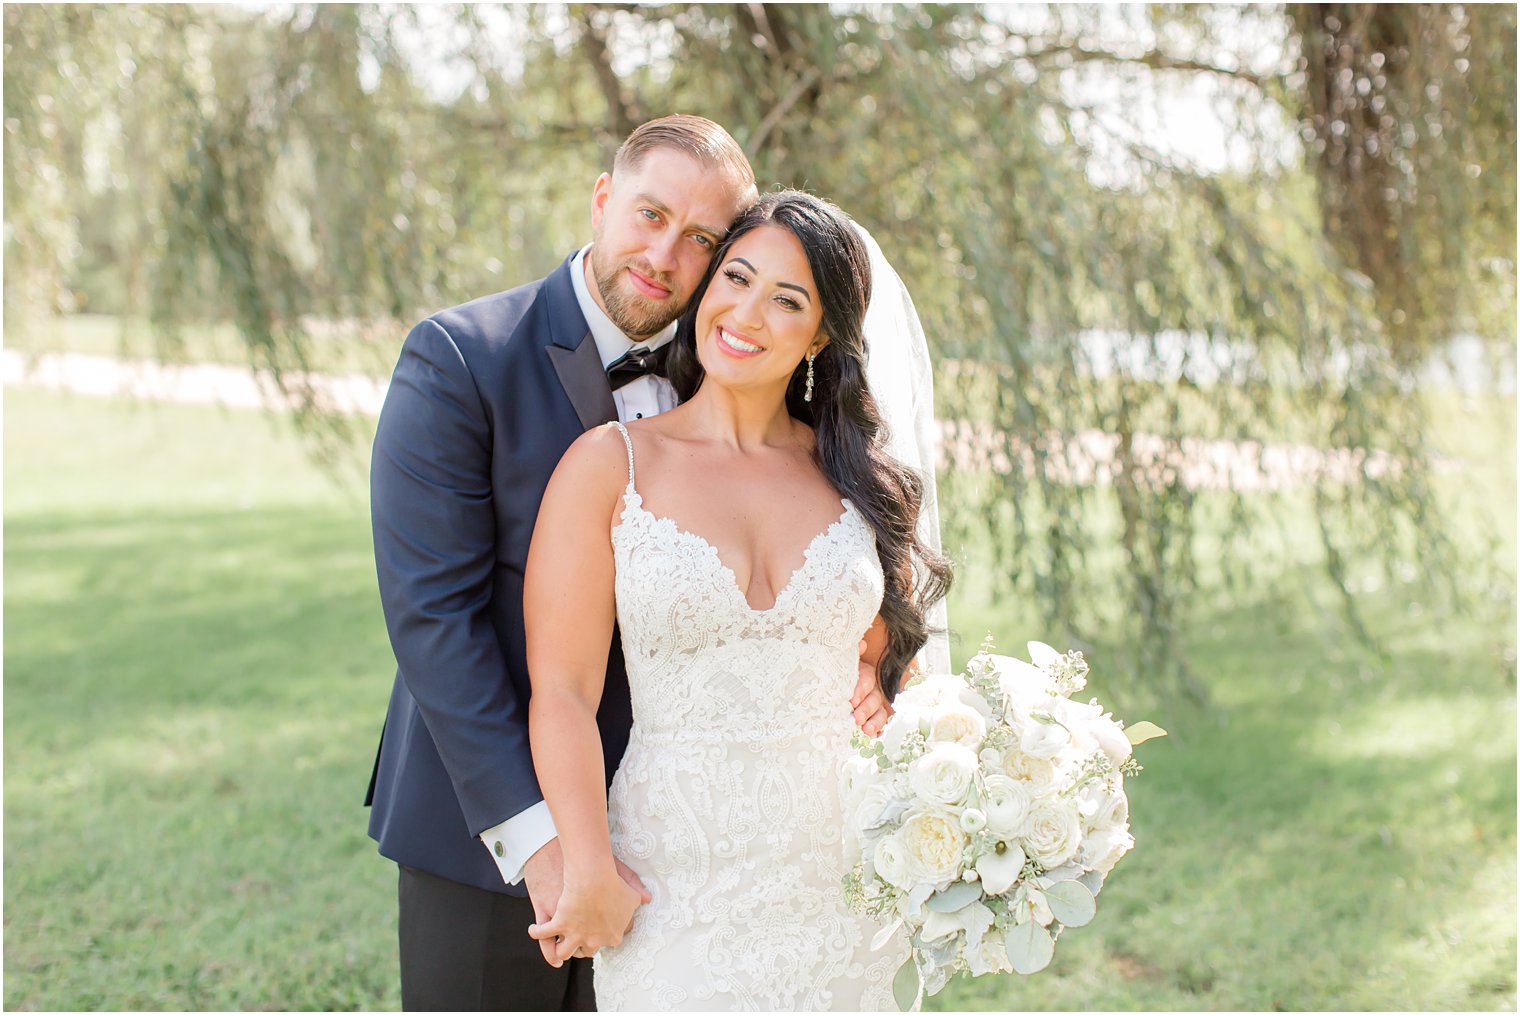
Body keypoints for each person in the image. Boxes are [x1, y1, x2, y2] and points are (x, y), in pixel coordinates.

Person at [365, 116, 907, 1011]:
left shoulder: (734, 378)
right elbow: (435, 622)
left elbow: (829, 603)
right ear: (603, 200)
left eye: (702, 240)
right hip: (492, 838)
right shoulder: (463, 357)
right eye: (649, 214)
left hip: (709, 855)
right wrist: (553, 849)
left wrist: (875, 672)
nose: (665, 254)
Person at [523, 191, 953, 1011]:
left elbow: (890, 665)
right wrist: (587, 861)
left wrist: (889, 682)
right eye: (737, 277)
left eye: (787, 300)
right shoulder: (609, 465)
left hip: (845, 882)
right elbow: (565, 691)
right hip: (673, 878)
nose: (746, 313)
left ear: (822, 334)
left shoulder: (866, 484)